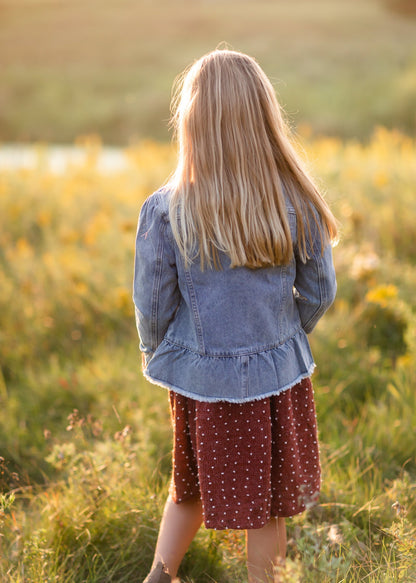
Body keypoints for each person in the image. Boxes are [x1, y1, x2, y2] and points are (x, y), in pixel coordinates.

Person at [133, 49, 337, 583]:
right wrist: (282, 336)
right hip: (276, 378)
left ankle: (159, 576)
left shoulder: (165, 208)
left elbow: (153, 304)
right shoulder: (298, 202)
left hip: (200, 380)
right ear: (264, 114)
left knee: (190, 485)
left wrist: (160, 354)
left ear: (193, 121)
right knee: (266, 504)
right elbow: (320, 290)